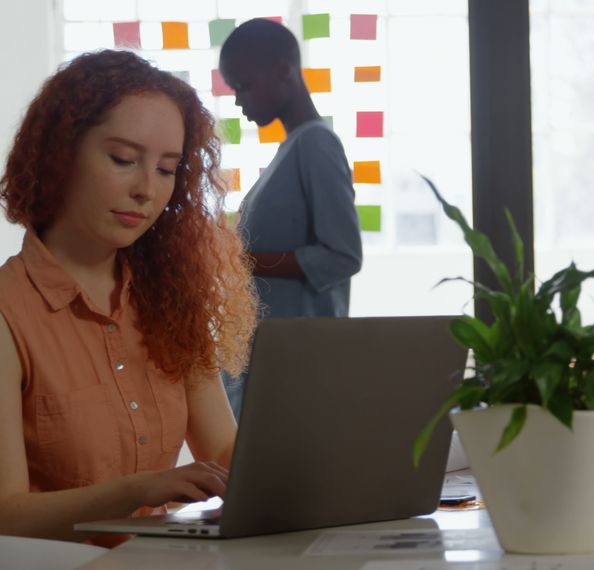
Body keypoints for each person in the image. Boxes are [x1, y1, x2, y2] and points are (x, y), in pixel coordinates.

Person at [0, 50, 258, 545]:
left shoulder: (170, 299)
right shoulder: (9, 314)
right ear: (60, 154)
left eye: (167, 169)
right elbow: (5, 515)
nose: (147, 190)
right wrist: (141, 489)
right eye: (123, 160)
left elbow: (225, 448)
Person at [218, 19, 363, 418]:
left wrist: (239, 260)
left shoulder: (316, 144)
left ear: (284, 70)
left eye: (243, 86)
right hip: (269, 359)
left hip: (299, 366)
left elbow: (343, 256)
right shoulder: (290, 150)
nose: (238, 101)